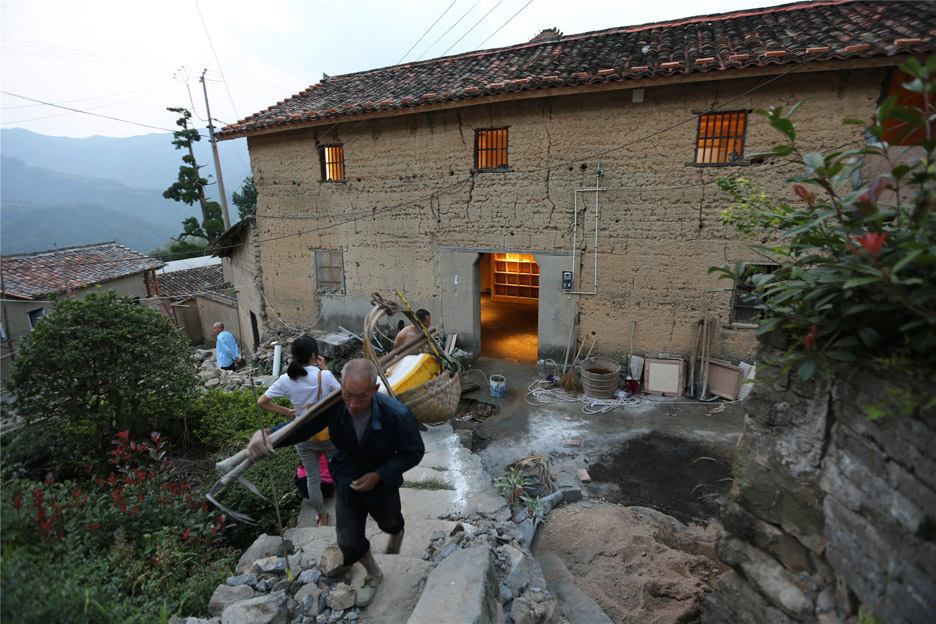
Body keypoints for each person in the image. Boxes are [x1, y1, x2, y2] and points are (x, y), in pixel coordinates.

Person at [248, 358, 425, 608]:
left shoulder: (397, 414)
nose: (353, 404)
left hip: (382, 480)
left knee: (390, 522)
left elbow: (414, 451)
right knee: (348, 540)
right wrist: (269, 436)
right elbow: (301, 426)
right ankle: (374, 573)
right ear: (341, 386)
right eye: (347, 395)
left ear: (374, 390)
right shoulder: (334, 405)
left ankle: (396, 532)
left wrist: (379, 475)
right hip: (346, 476)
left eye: (361, 397)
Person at [257, 336, 339, 527]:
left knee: (312, 478)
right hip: (327, 435)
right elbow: (341, 394)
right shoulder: (323, 376)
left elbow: (262, 402)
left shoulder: (286, 379)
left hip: (302, 435)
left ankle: (322, 516)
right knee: (338, 472)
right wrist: (325, 368)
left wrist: (287, 412)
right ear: (314, 355)